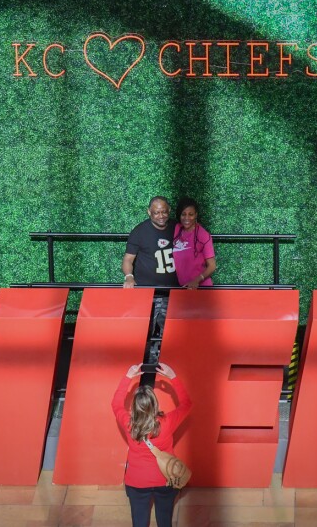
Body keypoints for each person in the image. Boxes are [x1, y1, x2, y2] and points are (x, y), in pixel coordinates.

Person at [112, 363, 192, 527]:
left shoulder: (129, 424)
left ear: (134, 407)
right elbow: (186, 404)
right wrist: (173, 377)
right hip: (165, 479)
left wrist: (128, 377)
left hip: (137, 482)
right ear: (155, 404)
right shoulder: (167, 422)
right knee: (165, 521)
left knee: (139, 523)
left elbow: (116, 404)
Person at [122, 197, 178, 350]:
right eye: (156, 213)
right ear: (149, 212)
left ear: (169, 211)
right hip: (147, 293)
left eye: (164, 212)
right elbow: (128, 259)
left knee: (172, 333)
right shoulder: (139, 231)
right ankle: (144, 369)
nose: (161, 216)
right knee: (144, 332)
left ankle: (166, 368)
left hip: (174, 292)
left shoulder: (177, 228)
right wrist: (129, 277)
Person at [172, 198, 216, 290]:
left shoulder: (203, 235)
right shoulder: (177, 229)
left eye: (191, 214)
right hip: (184, 288)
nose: (187, 218)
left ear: (196, 215)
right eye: (183, 214)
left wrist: (197, 280)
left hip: (201, 288)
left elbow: (212, 266)